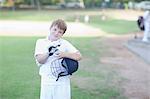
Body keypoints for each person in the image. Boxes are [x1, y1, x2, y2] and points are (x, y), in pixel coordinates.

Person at [34, 19, 82, 99]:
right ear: (50, 28)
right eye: (55, 29)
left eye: (60, 32)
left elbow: (79, 56)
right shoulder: (41, 42)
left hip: (62, 81)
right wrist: (49, 53)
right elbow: (40, 60)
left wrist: (64, 54)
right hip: (47, 81)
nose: (56, 33)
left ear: (62, 34)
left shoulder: (65, 43)